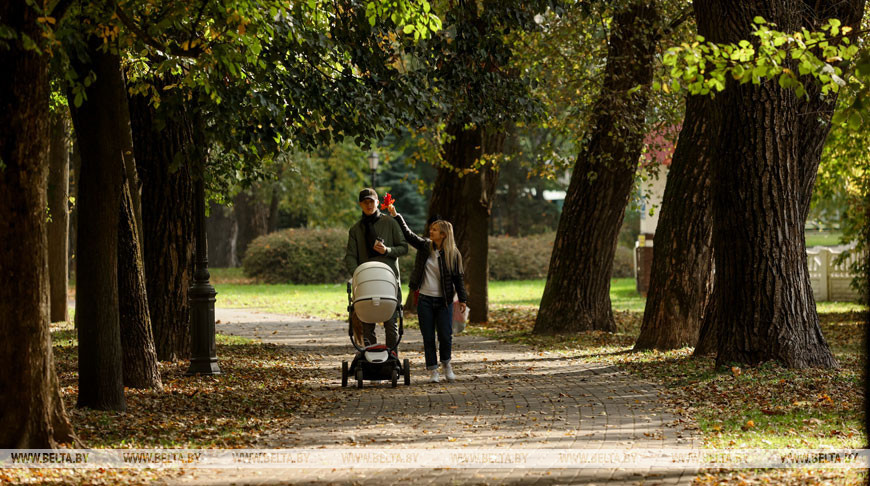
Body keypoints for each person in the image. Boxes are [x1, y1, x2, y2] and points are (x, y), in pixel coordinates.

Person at [388, 204, 467, 383]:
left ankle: (446, 364)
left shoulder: (453, 254)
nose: (431, 231)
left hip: (444, 301)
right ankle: (433, 370)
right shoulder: (425, 246)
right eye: (431, 229)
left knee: (446, 336)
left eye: (435, 230)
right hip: (424, 299)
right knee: (428, 336)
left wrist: (462, 299)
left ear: (444, 234)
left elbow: (458, 279)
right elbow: (408, 235)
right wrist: (395, 215)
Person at [345, 188, 408, 350]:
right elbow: (350, 256)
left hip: (388, 281)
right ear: (360, 204)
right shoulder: (355, 229)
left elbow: (403, 248)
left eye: (371, 201)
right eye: (365, 202)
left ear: (377, 203)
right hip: (366, 282)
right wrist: (358, 274)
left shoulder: (390, 223)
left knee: (390, 323)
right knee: (367, 324)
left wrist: (387, 250)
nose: (368, 205)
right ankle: (371, 359)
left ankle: (392, 358)